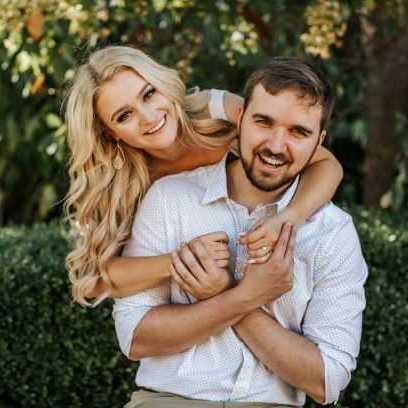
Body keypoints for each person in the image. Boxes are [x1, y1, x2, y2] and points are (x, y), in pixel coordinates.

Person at [112, 57, 368, 407]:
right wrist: (245, 297)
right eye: (264, 122)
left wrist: (225, 292)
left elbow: (327, 381)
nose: (276, 146)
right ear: (241, 118)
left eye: (299, 132)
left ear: (319, 141)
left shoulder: (332, 233)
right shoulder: (169, 199)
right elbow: (136, 337)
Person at [64, 46, 343, 306]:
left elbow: (327, 164)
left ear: (162, 84)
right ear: (110, 132)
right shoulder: (118, 181)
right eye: (124, 115)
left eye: (149, 94)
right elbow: (99, 283)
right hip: (184, 305)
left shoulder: (216, 112)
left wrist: (288, 219)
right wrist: (183, 260)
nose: (149, 117)